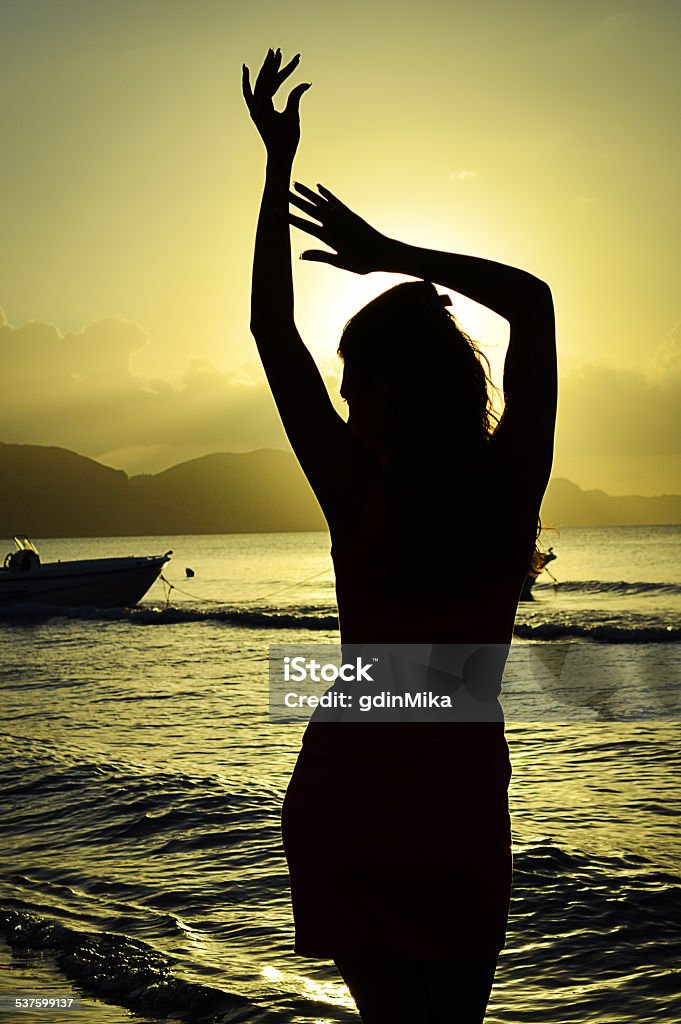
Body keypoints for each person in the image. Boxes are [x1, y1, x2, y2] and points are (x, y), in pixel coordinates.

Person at [243, 49, 556, 1024]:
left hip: (358, 804)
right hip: (448, 810)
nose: (341, 398)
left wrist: (275, 169)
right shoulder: (505, 489)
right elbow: (533, 302)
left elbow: (268, 329)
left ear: (398, 386)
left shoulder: (359, 495)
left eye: (355, 379)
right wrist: (392, 257)